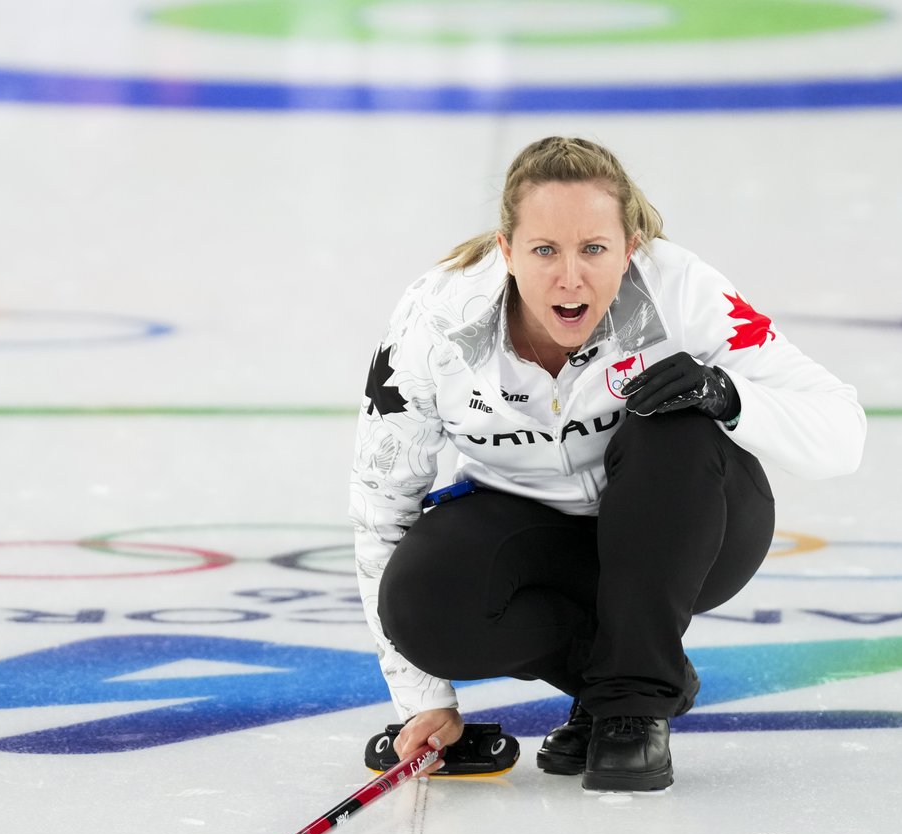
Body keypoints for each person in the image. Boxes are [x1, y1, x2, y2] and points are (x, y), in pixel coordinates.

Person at [350, 136, 865, 792]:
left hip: (691, 523)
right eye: (544, 251)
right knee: (421, 601)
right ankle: (627, 673)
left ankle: (632, 707)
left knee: (673, 426)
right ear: (506, 251)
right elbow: (380, 502)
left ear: (631, 248)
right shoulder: (433, 324)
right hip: (539, 540)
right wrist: (423, 700)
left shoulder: (682, 290)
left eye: (594, 249)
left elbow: (843, 432)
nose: (570, 278)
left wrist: (725, 395)